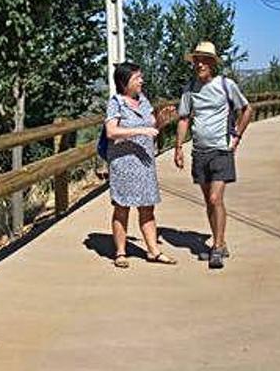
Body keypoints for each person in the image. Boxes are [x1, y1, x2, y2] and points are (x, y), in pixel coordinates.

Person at [174, 42, 254, 269]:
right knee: (209, 202)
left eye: (204, 60)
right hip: (200, 151)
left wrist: (236, 136)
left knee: (215, 199)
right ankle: (220, 241)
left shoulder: (226, 85)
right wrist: (178, 147)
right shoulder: (190, 88)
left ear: (212, 63)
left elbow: (247, 109)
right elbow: (184, 118)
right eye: (196, 60)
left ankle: (217, 247)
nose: (199, 64)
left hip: (221, 150)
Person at [105, 62, 178, 268]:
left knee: (147, 207)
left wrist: (161, 121)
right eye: (137, 78)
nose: (141, 81)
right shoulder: (116, 102)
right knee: (122, 208)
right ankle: (120, 252)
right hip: (124, 164)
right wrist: (140, 131)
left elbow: (152, 127)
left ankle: (153, 251)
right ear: (123, 82)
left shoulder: (143, 100)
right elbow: (111, 131)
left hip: (145, 164)